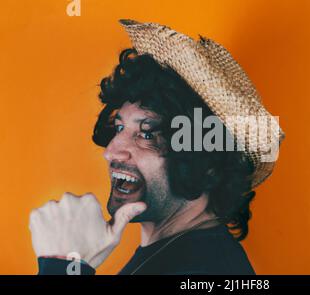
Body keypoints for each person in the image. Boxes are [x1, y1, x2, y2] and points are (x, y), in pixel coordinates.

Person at [29, 19, 284, 275]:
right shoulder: (172, 252)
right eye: (120, 128)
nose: (112, 151)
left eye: (147, 135)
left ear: (208, 166)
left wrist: (61, 264)